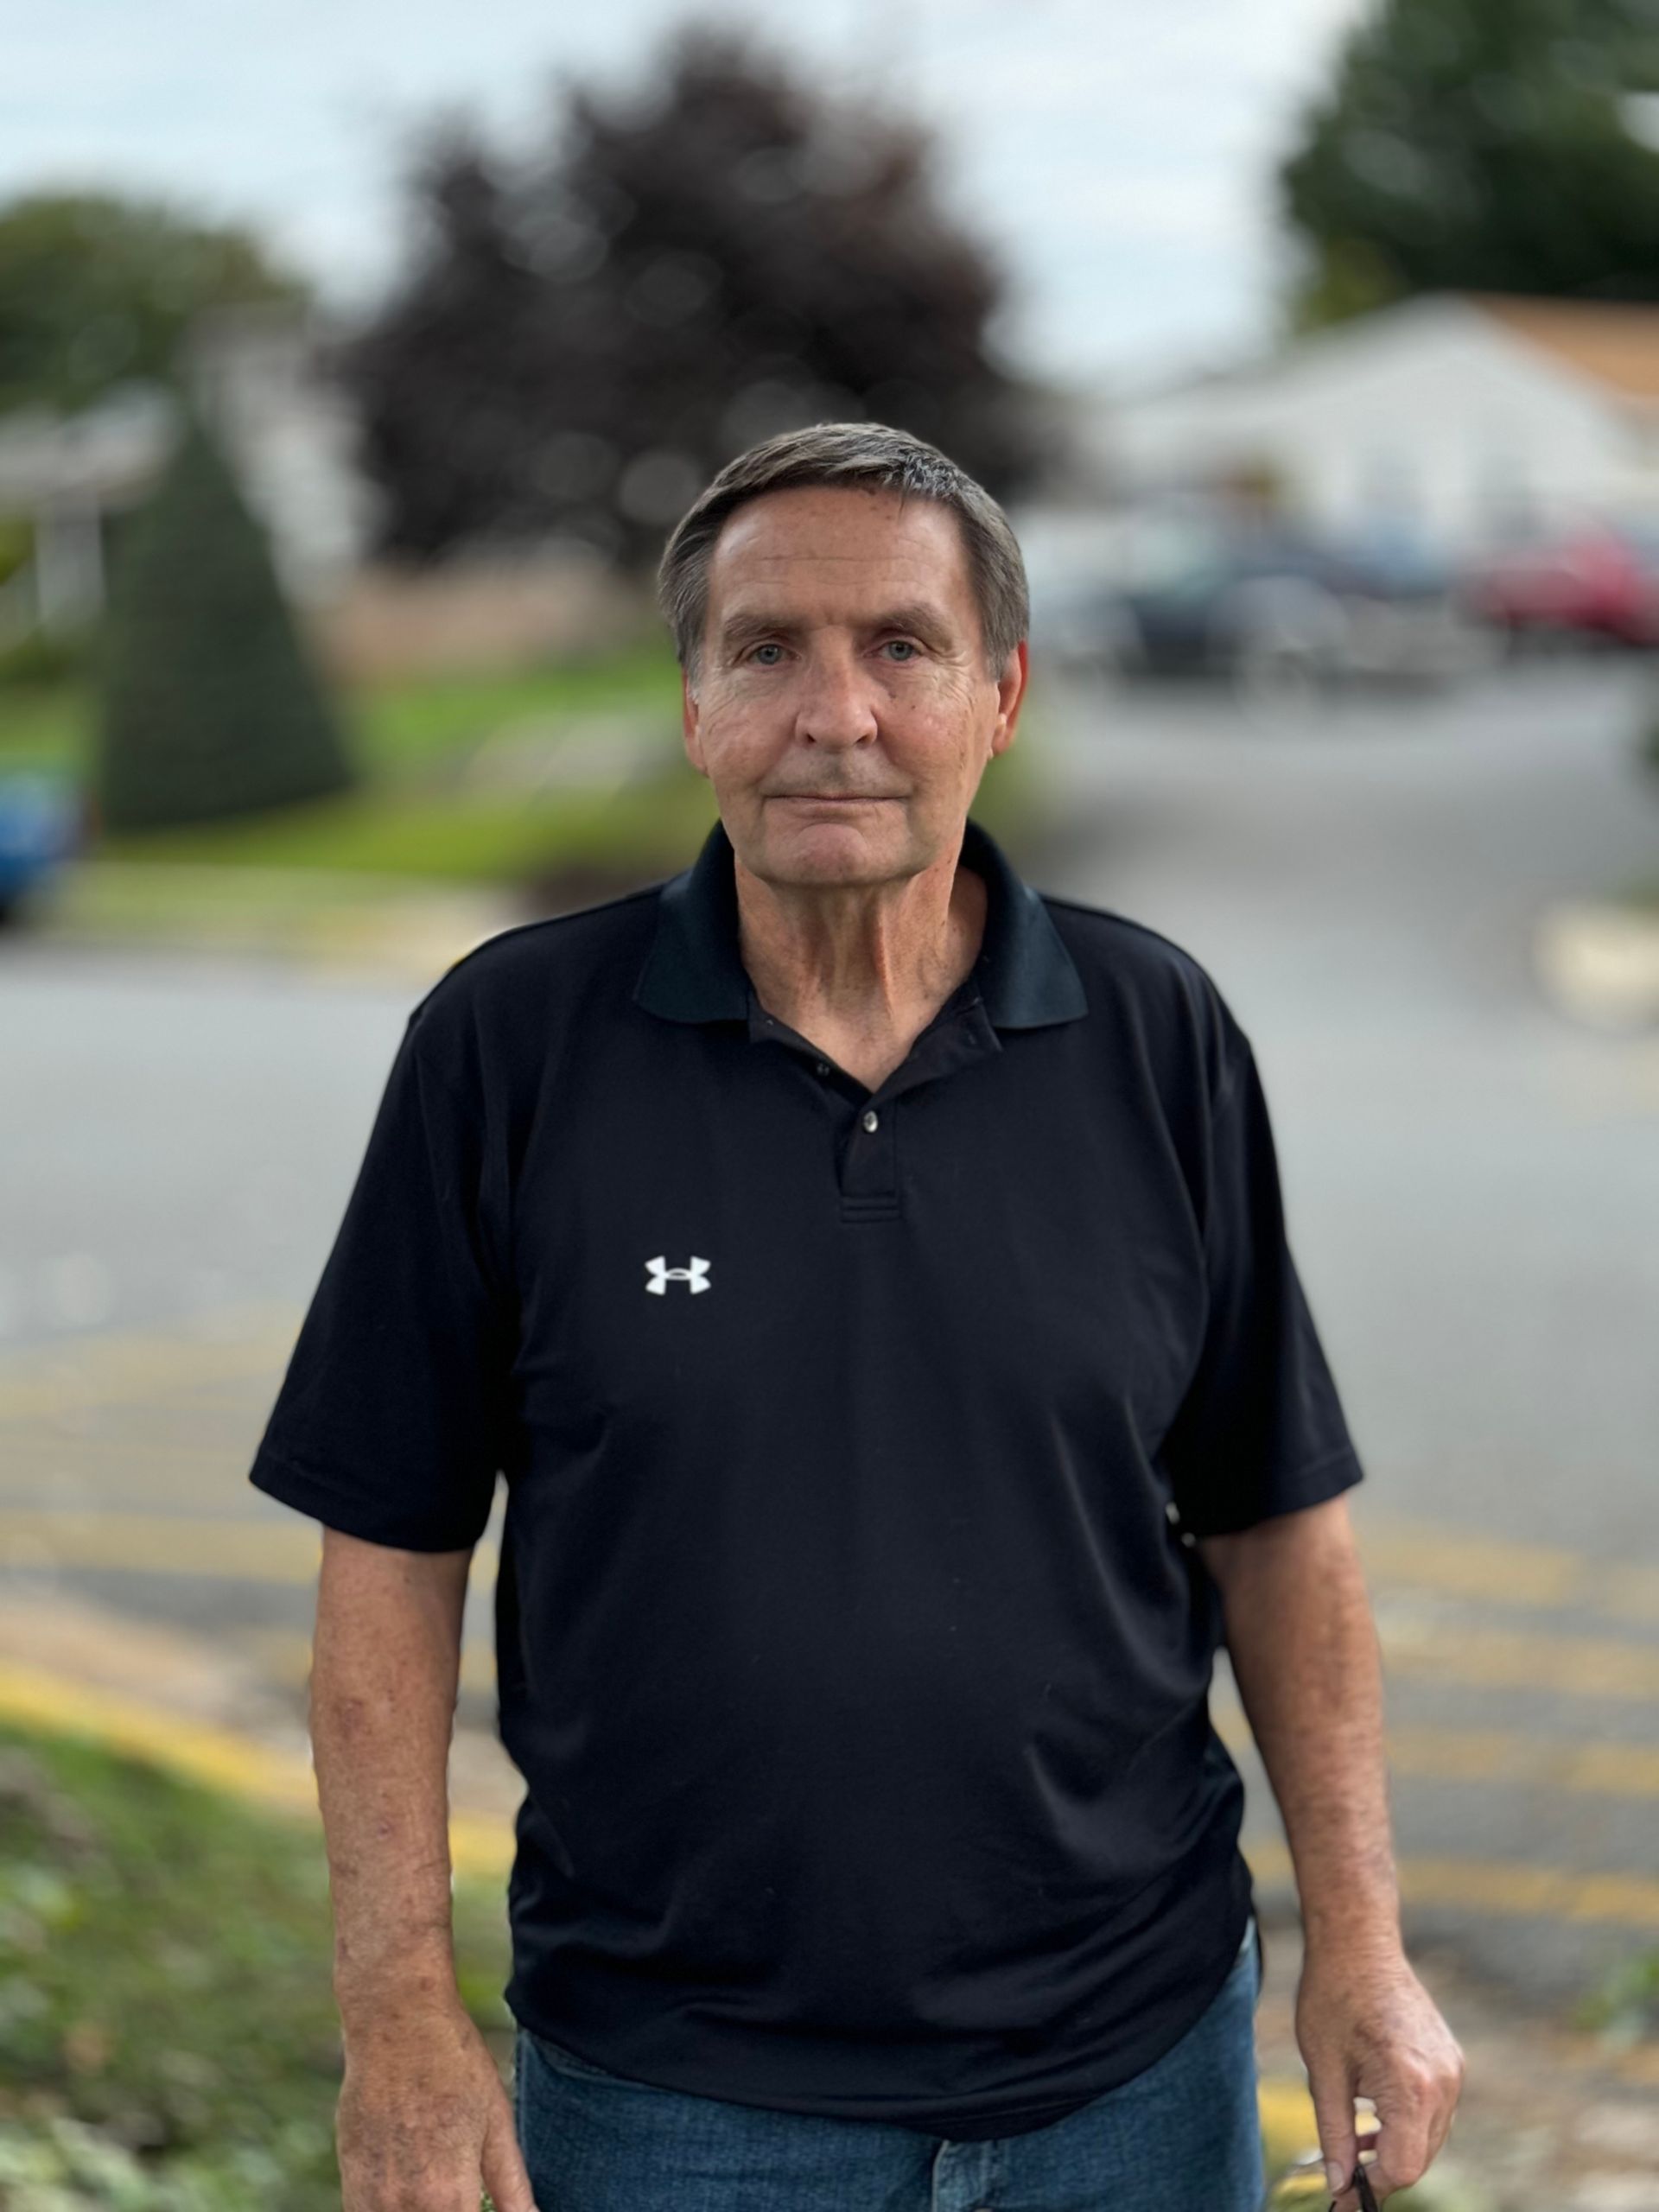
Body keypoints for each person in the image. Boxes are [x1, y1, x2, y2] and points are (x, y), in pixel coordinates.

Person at [249, 422, 1464, 2212]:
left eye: (901, 645)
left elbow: (1276, 1518)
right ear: (692, 708)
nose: (836, 713)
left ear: (1001, 695)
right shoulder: (506, 1049)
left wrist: (1360, 1948)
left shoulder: (1157, 1034)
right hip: (673, 2095)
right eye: (766, 650)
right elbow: (389, 1560)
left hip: (1131, 2074)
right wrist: (399, 2019)